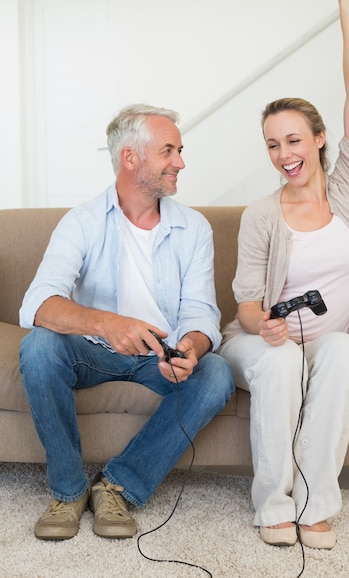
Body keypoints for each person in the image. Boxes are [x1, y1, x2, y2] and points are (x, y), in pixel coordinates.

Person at [19, 104, 234, 541]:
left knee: (217, 374)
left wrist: (192, 346)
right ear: (130, 158)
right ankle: (67, 490)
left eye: (180, 149)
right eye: (168, 150)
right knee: (39, 347)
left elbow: (200, 313)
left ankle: (118, 484)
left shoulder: (194, 228)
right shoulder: (81, 221)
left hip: (160, 355)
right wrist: (106, 324)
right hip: (95, 352)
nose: (181, 161)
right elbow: (38, 304)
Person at [219, 0, 349, 550]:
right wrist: (269, 327)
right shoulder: (262, 214)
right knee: (282, 362)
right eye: (272, 145)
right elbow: (248, 306)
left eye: (293, 140)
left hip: (325, 340)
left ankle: (315, 505)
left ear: (319, 139)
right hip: (264, 343)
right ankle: (273, 505)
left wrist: (348, 6)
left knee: (343, 353)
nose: (284, 153)